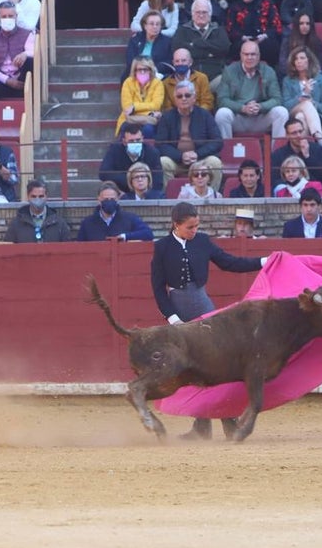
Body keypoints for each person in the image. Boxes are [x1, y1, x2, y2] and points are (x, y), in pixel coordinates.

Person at [151, 200, 267, 439]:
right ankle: (204, 426)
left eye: (196, 226)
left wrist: (262, 262)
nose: (194, 231)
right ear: (176, 225)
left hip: (203, 304)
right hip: (180, 310)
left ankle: (224, 422)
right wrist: (173, 318)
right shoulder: (162, 247)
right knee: (195, 368)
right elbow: (158, 288)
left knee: (219, 363)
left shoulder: (202, 241)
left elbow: (229, 262)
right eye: (190, 227)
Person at [154, 79, 223, 190]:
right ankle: (167, 200)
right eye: (179, 96)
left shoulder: (205, 115)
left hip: (200, 160)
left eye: (187, 95)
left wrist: (197, 154)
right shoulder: (167, 117)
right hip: (176, 161)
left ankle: (211, 199)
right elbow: (160, 144)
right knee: (163, 162)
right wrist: (180, 156)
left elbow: (217, 141)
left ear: (194, 98)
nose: (184, 99)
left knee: (215, 162)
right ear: (175, 100)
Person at [214, 40, 288, 140]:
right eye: (246, 54)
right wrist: (242, 108)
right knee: (222, 114)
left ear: (259, 56)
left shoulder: (268, 71)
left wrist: (260, 106)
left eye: (253, 54)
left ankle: (277, 152)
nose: (249, 57)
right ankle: (227, 152)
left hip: (260, 117)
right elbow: (222, 100)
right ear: (241, 55)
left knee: (281, 112)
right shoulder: (230, 71)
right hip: (238, 117)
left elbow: (277, 99)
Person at [0, 0, 33, 113]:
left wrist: (24, 54)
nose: (7, 19)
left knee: (30, 60)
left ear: (16, 16)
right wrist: (7, 80)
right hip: (2, 81)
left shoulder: (27, 34)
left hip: (23, 80)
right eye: (4, 16)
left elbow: (35, 51)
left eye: (10, 16)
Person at [225, 0, 282, 67]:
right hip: (242, 42)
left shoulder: (268, 4)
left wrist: (265, 36)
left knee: (271, 46)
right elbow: (230, 29)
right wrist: (243, 37)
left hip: (264, 43)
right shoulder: (235, 7)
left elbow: (277, 28)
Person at [171, 0, 230, 84]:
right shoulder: (182, 30)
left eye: (204, 12)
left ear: (210, 14)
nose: (201, 15)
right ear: (192, 14)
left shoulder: (218, 29)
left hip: (215, 77)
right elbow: (177, 49)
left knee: (225, 82)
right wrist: (209, 53)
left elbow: (225, 48)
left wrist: (196, 44)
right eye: (198, 12)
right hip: (189, 79)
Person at [270, 117, 322, 193]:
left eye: (300, 131)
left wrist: (307, 156)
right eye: (294, 133)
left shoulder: (317, 149)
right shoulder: (278, 154)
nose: (299, 135)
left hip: (313, 192)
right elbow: (275, 180)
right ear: (287, 135)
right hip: (290, 192)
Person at [76, 181, 153, 242]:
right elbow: (79, 247)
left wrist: (125, 236)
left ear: (117, 199)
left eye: (112, 199)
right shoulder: (87, 223)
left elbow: (148, 234)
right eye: (106, 199)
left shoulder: (129, 219)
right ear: (99, 199)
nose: (109, 202)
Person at [99, 121, 163, 194]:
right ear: (124, 142)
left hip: (146, 193)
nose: (135, 143)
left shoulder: (152, 153)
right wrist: (131, 178)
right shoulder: (114, 150)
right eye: (131, 141)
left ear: (142, 139)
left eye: (138, 140)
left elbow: (158, 181)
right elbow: (103, 173)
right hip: (122, 192)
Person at [4, 179, 71, 243]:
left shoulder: (59, 223)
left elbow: (68, 249)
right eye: (33, 196)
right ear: (28, 197)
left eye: (41, 196)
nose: (37, 200)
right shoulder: (16, 224)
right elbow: (7, 248)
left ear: (46, 196)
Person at [116, 55, 164, 137]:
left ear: (150, 70)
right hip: (130, 120)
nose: (142, 72)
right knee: (126, 131)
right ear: (134, 71)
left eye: (145, 69)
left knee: (148, 130)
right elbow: (127, 108)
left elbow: (156, 105)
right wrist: (150, 113)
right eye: (139, 70)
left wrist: (135, 107)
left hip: (148, 121)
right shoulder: (128, 83)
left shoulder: (158, 84)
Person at [160, 48, 214, 113]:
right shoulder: (166, 83)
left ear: (190, 62)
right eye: (177, 61)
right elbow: (167, 107)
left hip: (199, 117)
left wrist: (196, 114)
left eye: (183, 60)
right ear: (173, 63)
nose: (180, 63)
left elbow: (207, 102)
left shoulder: (202, 78)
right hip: (176, 119)